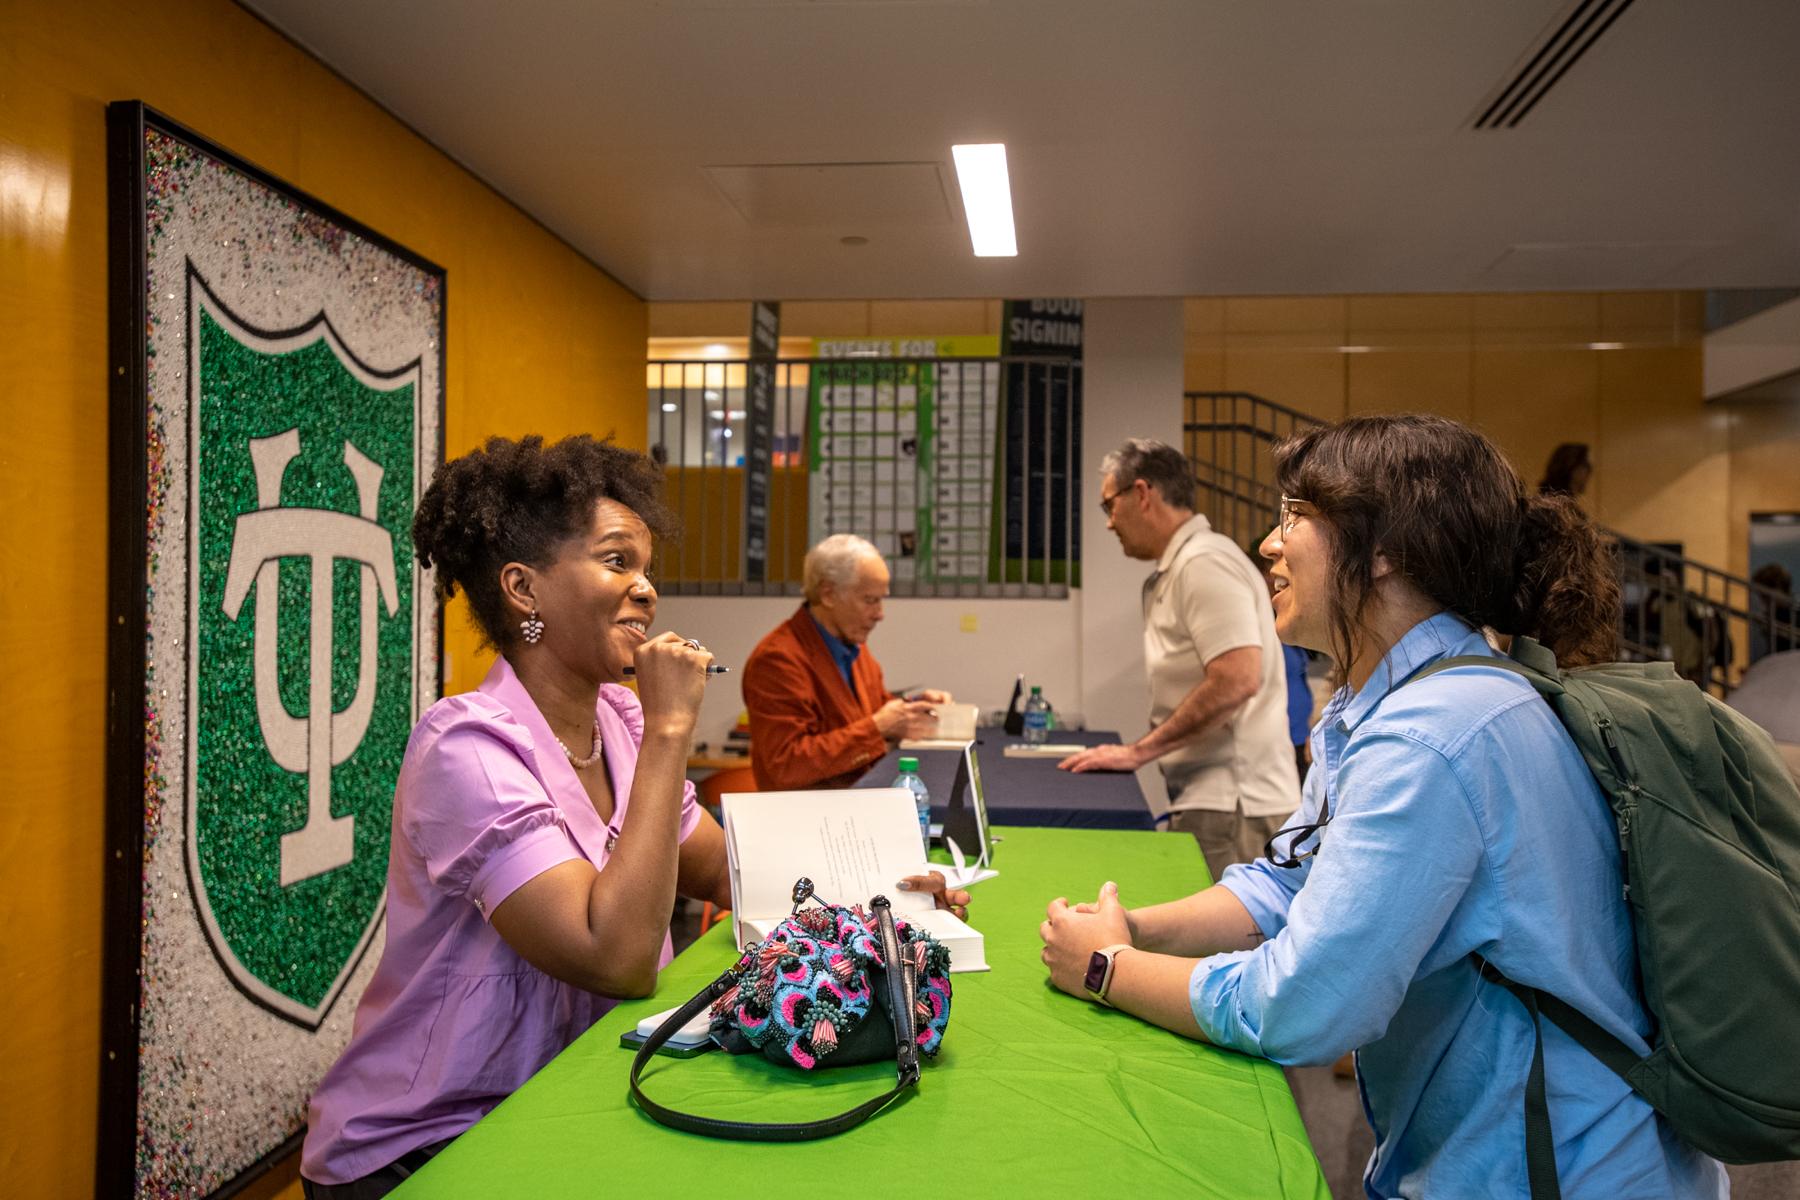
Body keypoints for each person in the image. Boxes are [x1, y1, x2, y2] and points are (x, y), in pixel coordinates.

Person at [1038, 415, 1723, 1198]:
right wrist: (1137, 926)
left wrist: (1106, 967)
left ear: (1388, 546)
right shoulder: (1380, 702)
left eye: (1296, 516)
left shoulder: (1434, 734)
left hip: (1559, 1173)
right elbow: (1290, 882)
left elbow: (1304, 1006)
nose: (1269, 542)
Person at [300, 437, 968, 1198]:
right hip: (431, 1144)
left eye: (647, 568)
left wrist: (891, 896)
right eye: (618, 562)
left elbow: (730, 872)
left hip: (565, 1108)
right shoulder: (467, 749)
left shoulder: (619, 721)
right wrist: (673, 733)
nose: (647, 589)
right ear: (524, 589)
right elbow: (613, 953)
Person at [1059, 439, 1299, 883]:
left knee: (1221, 948)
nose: (1110, 522)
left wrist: (1138, 752)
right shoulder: (1188, 563)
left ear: (1143, 494)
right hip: (1215, 799)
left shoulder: (1204, 563)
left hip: (1234, 803)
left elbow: (1236, 679)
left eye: (1109, 505)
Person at [742, 534, 952, 791]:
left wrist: (913, 708)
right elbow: (788, 763)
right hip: (809, 819)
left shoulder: (851, 646)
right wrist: (878, 728)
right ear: (828, 594)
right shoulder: (778, 660)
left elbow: (870, 710)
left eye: (881, 599)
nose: (880, 614)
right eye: (869, 600)